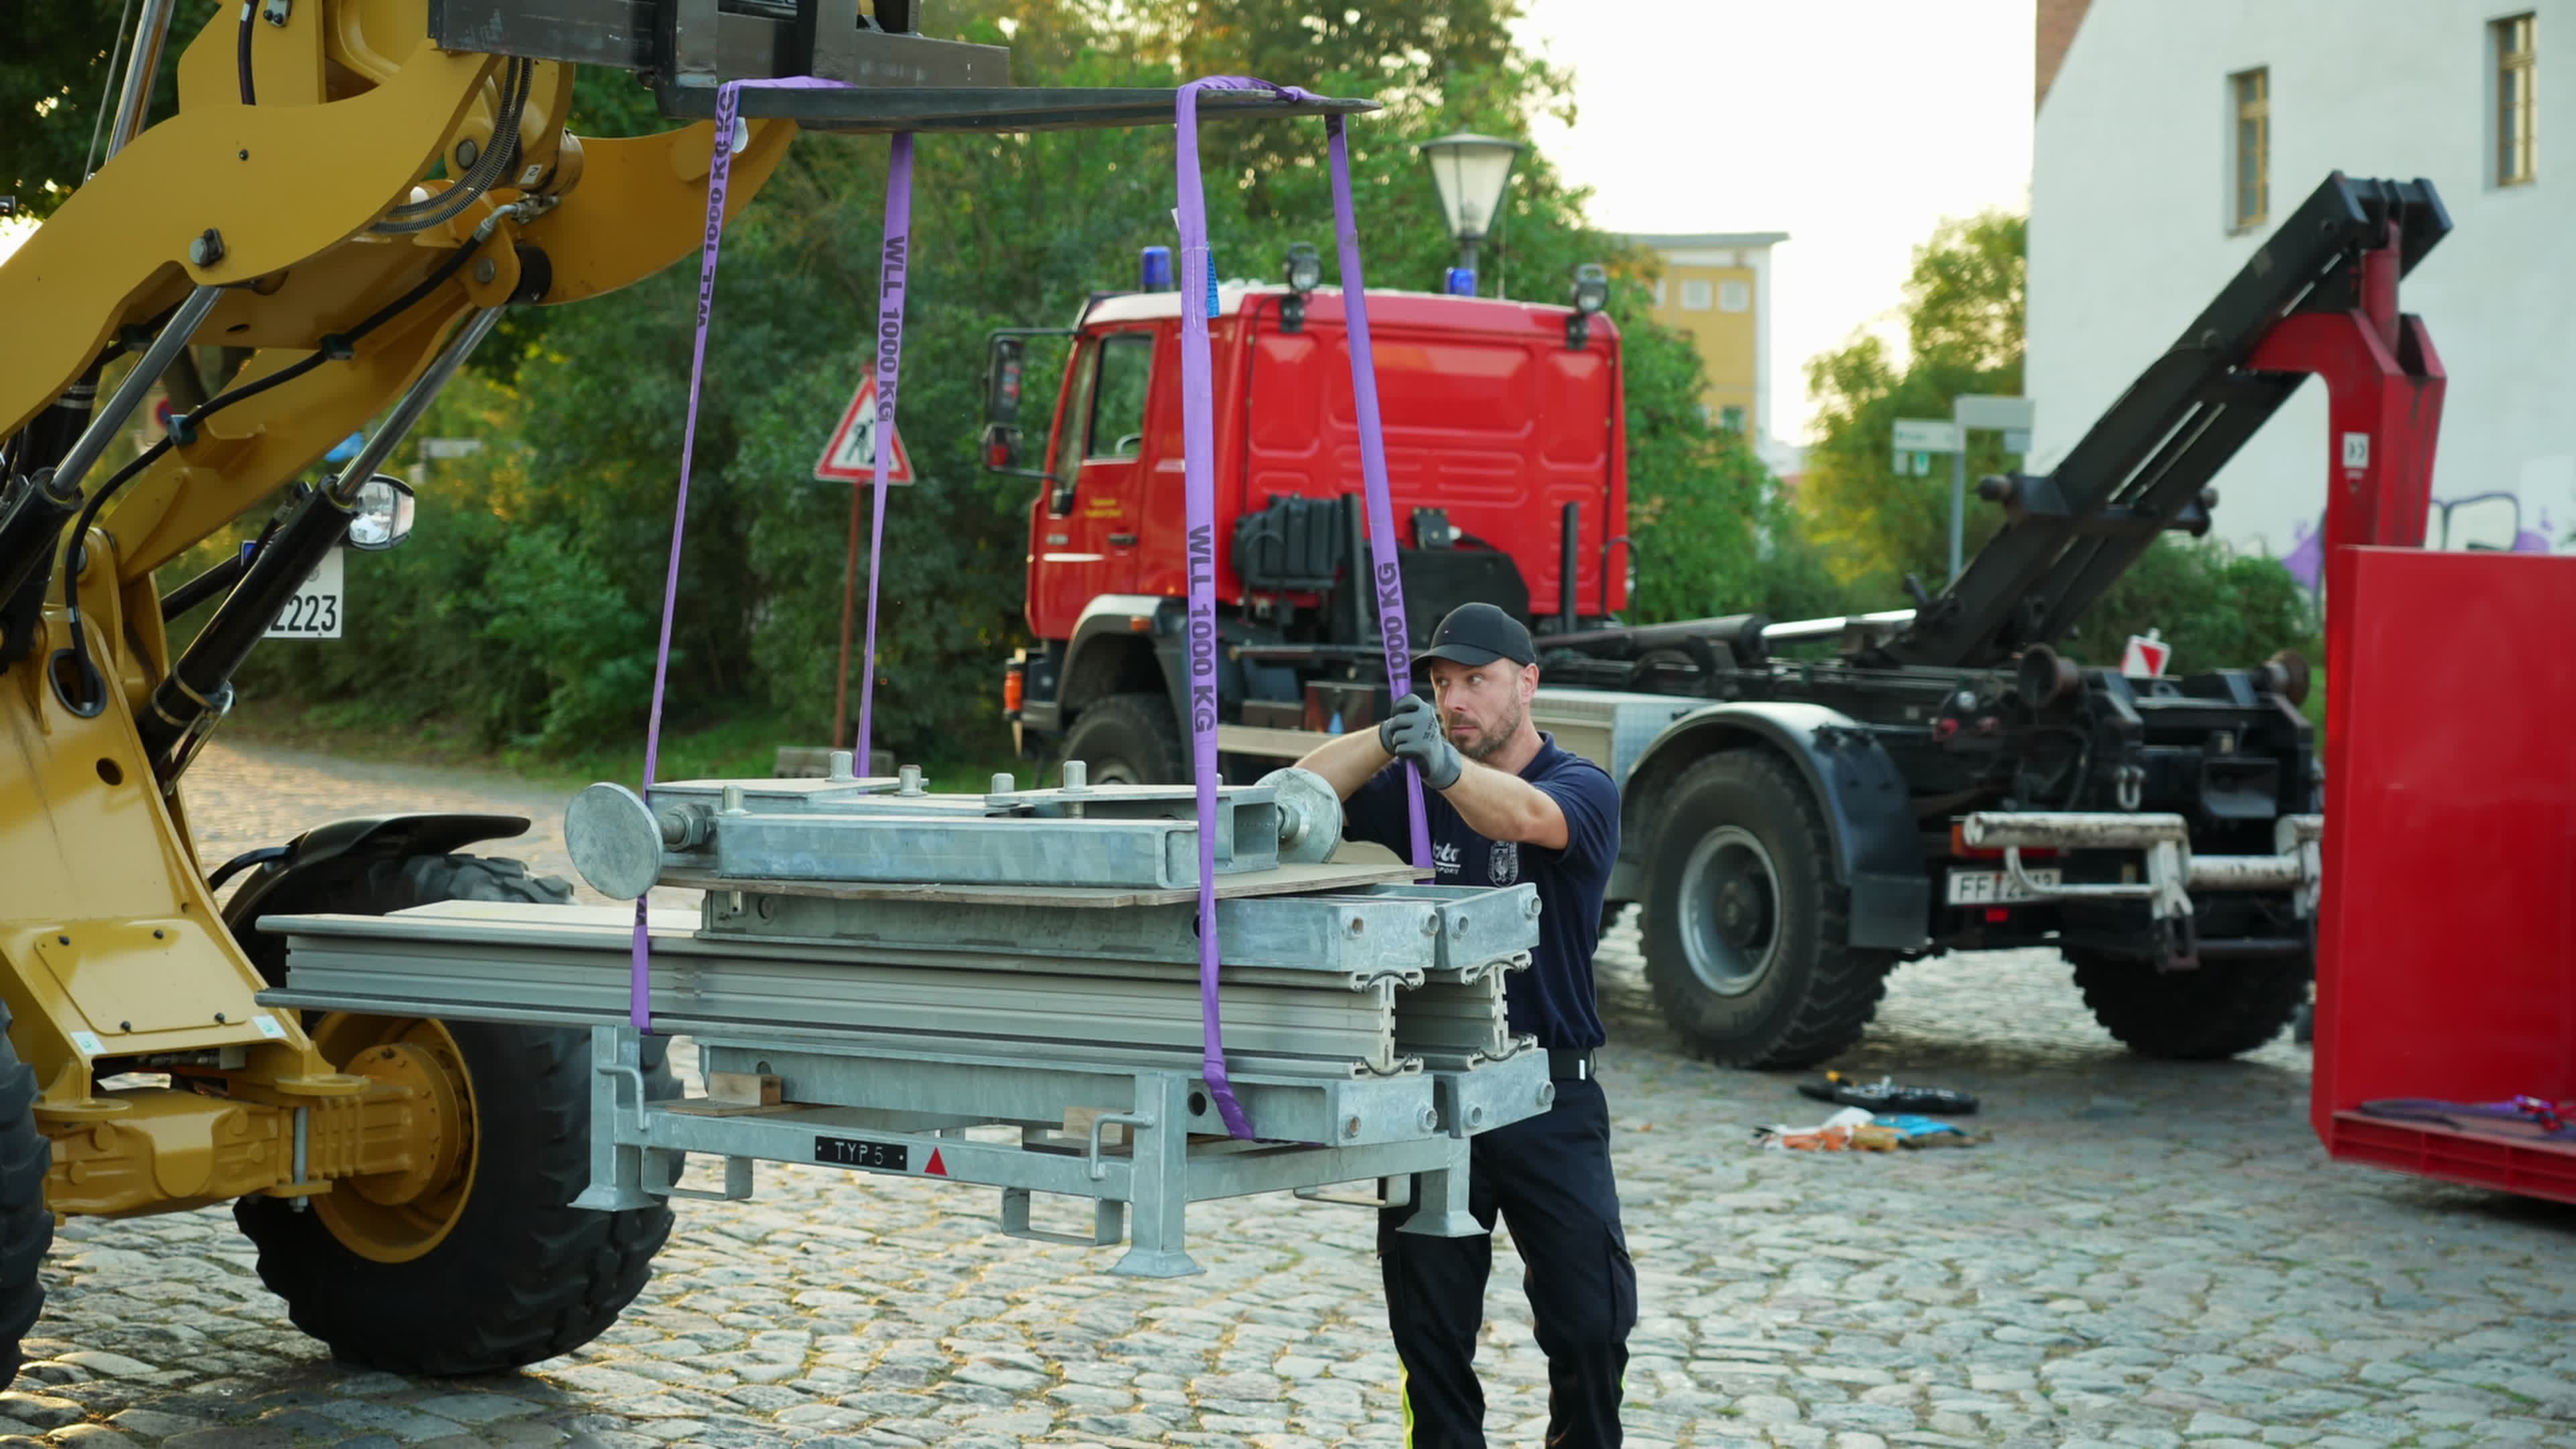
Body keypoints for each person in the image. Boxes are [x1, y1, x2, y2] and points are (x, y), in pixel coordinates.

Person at [1293, 600, 1635, 1448]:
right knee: (1430, 1337)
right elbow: (1288, 803)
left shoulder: (1580, 786)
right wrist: (1384, 740)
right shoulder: (1415, 789)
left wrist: (1441, 766)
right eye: (1442, 685)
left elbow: (1519, 818)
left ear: (1528, 682)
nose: (1457, 701)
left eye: (1476, 682)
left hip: (1548, 1095)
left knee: (1591, 1325)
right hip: (1433, 1096)